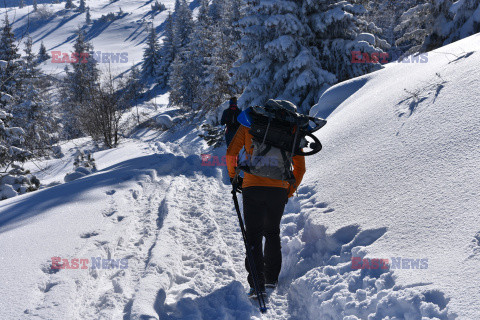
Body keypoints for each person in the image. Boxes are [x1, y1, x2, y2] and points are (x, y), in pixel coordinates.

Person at [226, 102, 306, 296]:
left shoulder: (250, 123)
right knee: (272, 232)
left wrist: (234, 178)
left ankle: (256, 283)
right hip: (278, 189)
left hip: (252, 186)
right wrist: (288, 190)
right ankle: (270, 279)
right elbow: (300, 168)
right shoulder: (291, 130)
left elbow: (231, 154)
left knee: (253, 234)